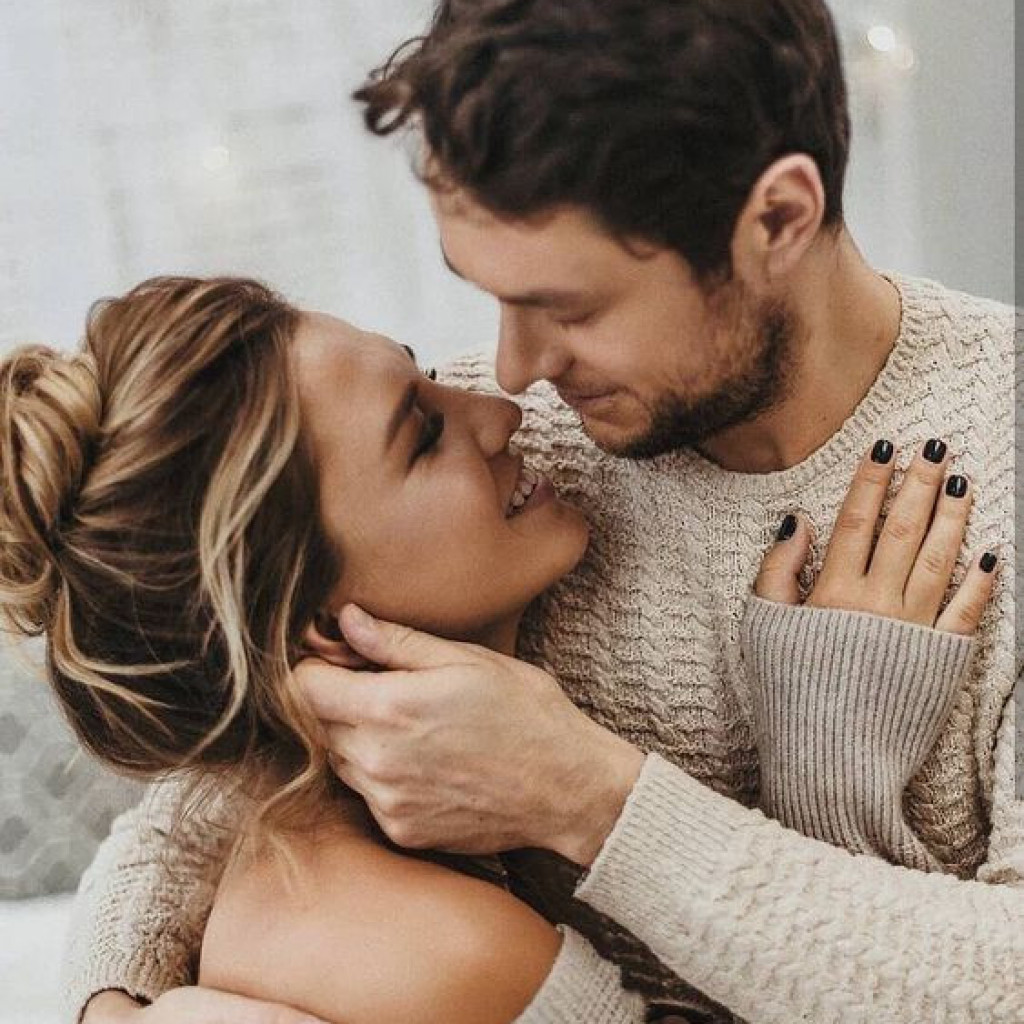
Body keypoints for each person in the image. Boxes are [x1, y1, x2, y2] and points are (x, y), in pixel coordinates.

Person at [66, 0, 1020, 1021]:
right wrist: (113, 1003)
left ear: (777, 220)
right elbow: (218, 801)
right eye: (490, 294)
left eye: (568, 308)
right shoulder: (516, 470)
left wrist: (587, 796)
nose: (513, 376)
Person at [3, 278, 989, 1024]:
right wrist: (831, 770)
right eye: (421, 433)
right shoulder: (444, 951)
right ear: (317, 629)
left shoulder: (308, 835)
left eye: (421, 368)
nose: (502, 404)